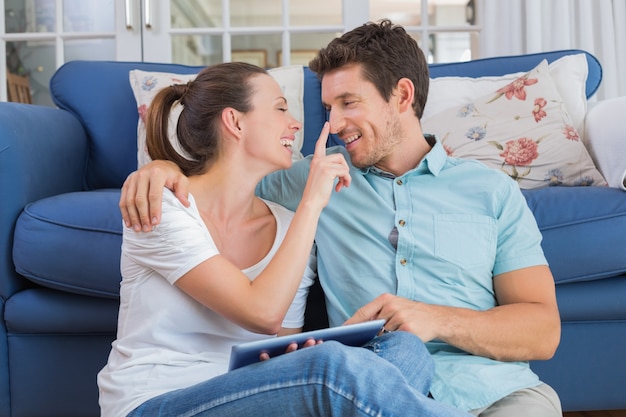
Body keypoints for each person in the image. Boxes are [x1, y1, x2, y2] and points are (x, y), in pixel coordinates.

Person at [119, 20, 563, 417]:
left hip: (495, 394)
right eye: (328, 106)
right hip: (368, 386)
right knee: (366, 367)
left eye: (348, 103)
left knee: (407, 350)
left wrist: (436, 320)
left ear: (402, 96)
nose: (332, 123)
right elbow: (225, 175)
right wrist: (162, 169)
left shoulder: (490, 190)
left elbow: (543, 332)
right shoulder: (314, 178)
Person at [99, 61, 472, 417]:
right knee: (329, 367)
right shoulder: (160, 205)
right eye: (280, 109)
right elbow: (262, 315)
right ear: (234, 121)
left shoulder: (285, 225)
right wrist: (313, 200)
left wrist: (315, 352)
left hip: (251, 398)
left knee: (403, 348)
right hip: (158, 402)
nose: (296, 125)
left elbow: (280, 346)